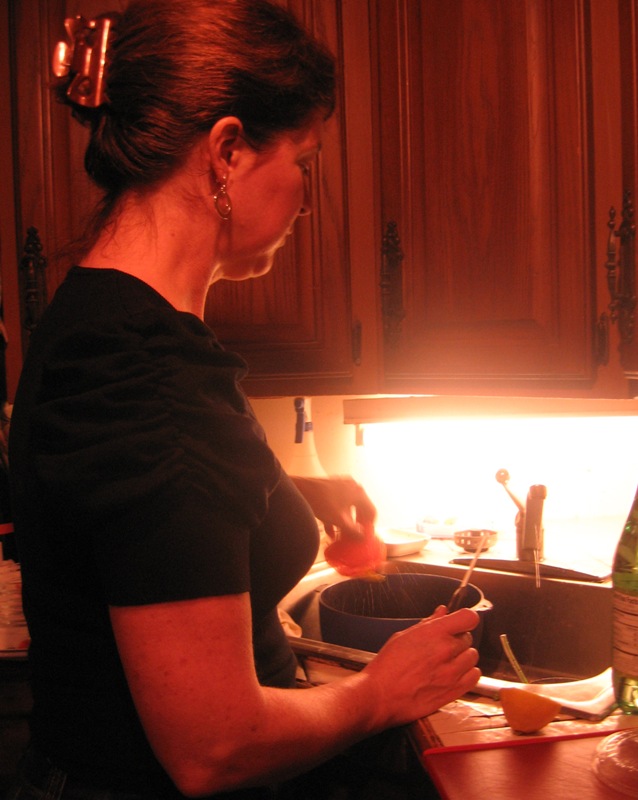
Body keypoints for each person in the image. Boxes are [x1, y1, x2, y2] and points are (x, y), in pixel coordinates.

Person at [7, 2, 480, 798]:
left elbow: (126, 519)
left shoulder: (98, 320)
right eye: (305, 159)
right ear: (227, 152)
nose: (306, 196)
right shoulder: (149, 377)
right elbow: (216, 747)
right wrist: (380, 690)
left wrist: (271, 494)